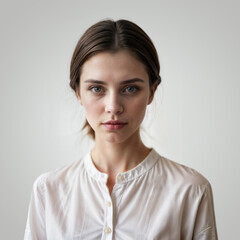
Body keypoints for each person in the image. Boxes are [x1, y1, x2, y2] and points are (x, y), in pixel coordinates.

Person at [24, 19, 218, 240]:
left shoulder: (190, 191)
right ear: (78, 92)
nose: (113, 107)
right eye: (96, 88)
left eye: (130, 88)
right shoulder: (48, 191)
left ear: (152, 91)